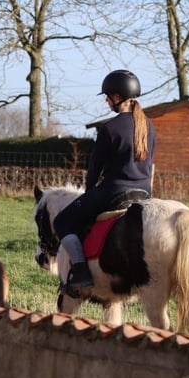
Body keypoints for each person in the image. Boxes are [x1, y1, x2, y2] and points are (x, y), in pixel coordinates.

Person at [53, 69, 156, 293]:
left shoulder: (109, 128)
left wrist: (89, 192)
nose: (107, 101)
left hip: (114, 191)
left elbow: (94, 169)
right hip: (144, 193)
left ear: (117, 97)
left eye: (108, 97)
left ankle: (80, 271)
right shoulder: (149, 126)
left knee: (62, 222)